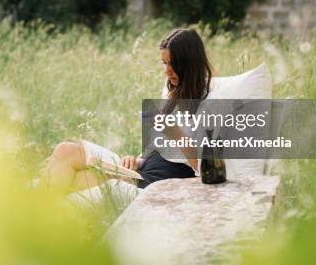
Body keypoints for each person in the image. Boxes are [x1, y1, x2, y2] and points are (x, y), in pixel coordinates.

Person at [39, 28, 213, 193]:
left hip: (163, 178)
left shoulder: (211, 103)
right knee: (65, 150)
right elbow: (159, 148)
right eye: (164, 63)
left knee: (80, 178)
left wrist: (173, 131)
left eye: (172, 64)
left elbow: (205, 167)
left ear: (189, 64)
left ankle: (34, 213)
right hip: (144, 167)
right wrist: (137, 160)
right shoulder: (173, 90)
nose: (166, 71)